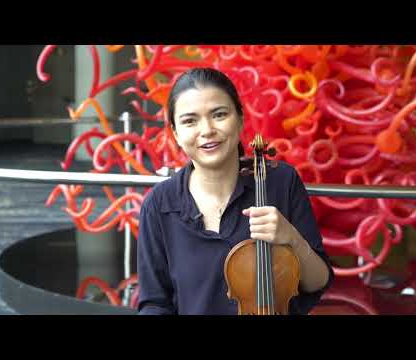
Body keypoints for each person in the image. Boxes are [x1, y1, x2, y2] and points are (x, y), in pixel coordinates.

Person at [137, 68, 334, 315]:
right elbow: (154, 302)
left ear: (240, 118)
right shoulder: (159, 205)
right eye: (190, 121)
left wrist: (290, 237)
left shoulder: (281, 182)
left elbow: (318, 281)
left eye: (219, 115)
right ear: (175, 133)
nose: (206, 130)